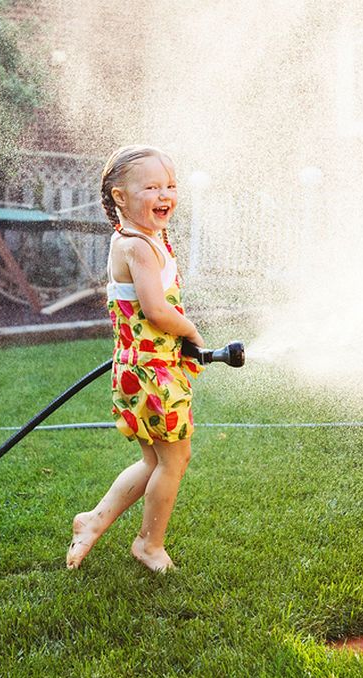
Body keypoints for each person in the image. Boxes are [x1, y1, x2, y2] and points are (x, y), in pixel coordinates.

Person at [66, 145, 205, 572]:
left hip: (140, 368)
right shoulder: (138, 247)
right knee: (174, 459)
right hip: (151, 372)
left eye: (170, 186)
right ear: (120, 198)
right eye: (151, 187)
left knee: (155, 460)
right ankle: (149, 543)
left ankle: (93, 521)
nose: (165, 195)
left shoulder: (143, 238)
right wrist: (192, 331)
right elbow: (156, 310)